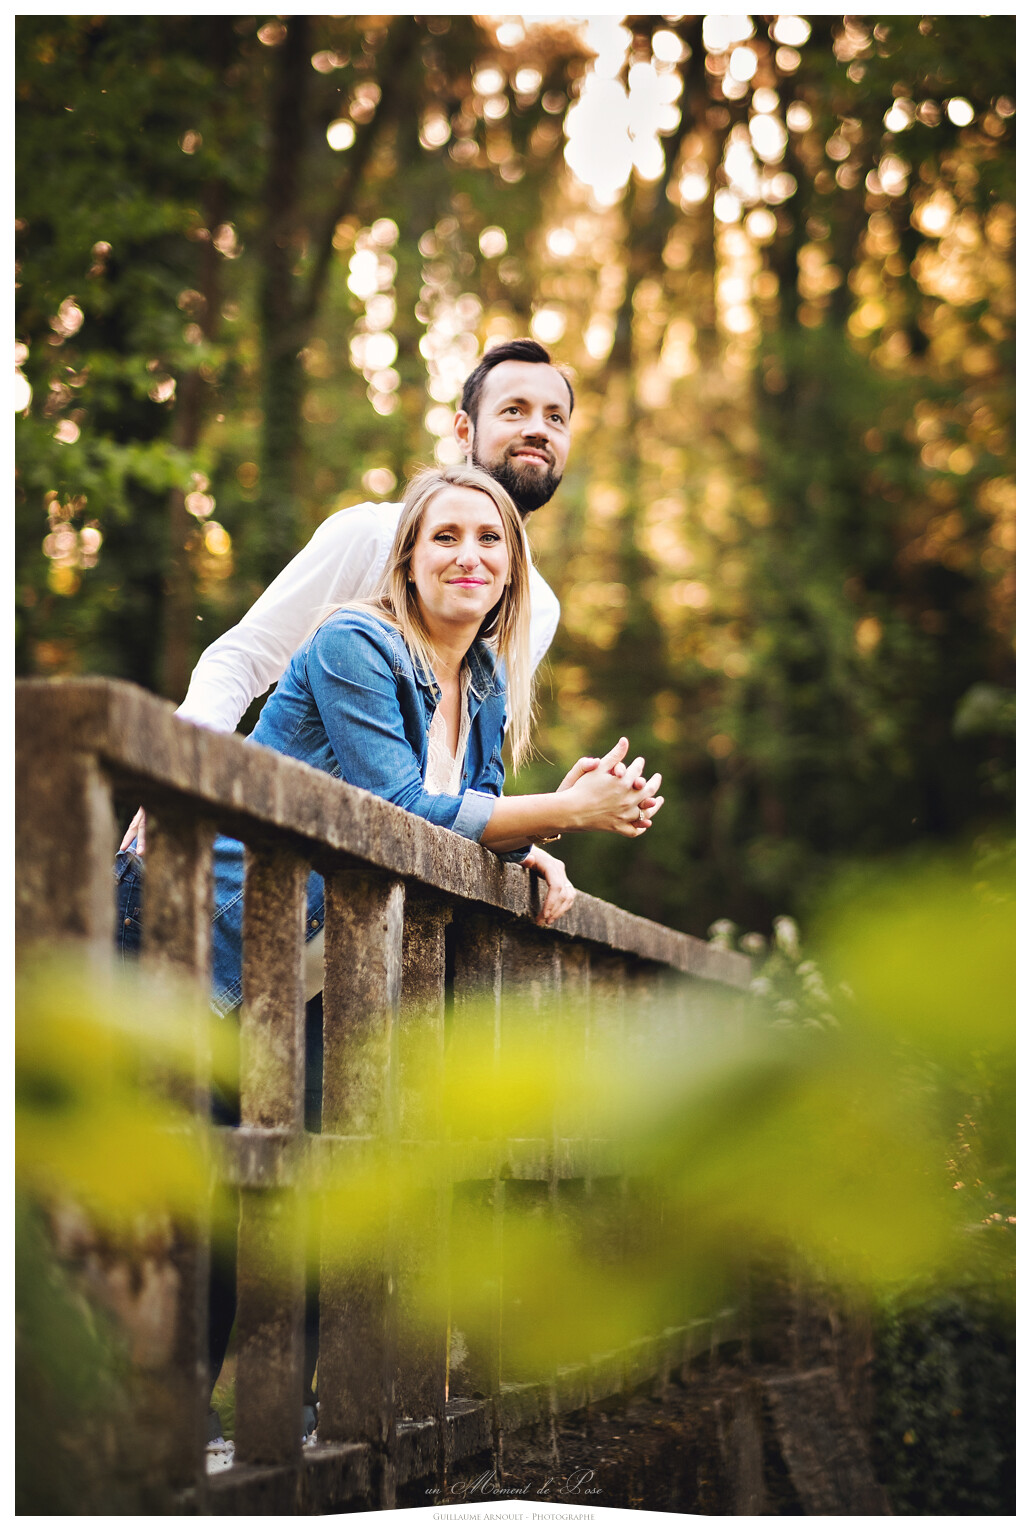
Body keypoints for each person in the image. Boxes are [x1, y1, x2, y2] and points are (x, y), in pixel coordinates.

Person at [115, 463, 663, 1435]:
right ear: (406, 558)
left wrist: (537, 841)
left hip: (312, 966)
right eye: (444, 536)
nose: (468, 555)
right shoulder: (353, 643)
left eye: (489, 540)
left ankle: (279, 1432)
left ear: (512, 569)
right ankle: (150, 1444)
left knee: (311, 1184)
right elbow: (399, 809)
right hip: (205, 930)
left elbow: (463, 812)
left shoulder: (484, 684)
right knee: (183, 1195)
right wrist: (566, 809)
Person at [121, 337, 578, 855]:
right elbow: (243, 658)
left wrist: (529, 843)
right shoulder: (373, 536)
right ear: (464, 430)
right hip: (251, 861)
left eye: (555, 417)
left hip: (359, 881)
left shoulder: (537, 608)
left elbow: (452, 774)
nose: (538, 428)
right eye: (514, 410)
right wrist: (176, 777)